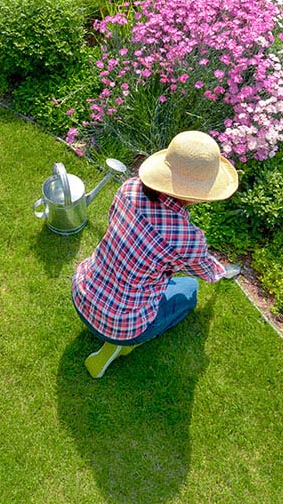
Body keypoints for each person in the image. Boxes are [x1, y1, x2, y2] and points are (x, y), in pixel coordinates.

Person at [71, 130, 242, 379]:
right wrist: (221, 271)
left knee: (161, 278)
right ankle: (121, 346)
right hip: (120, 323)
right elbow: (205, 271)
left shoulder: (129, 189)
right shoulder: (187, 238)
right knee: (188, 291)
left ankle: (116, 334)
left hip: (82, 292)